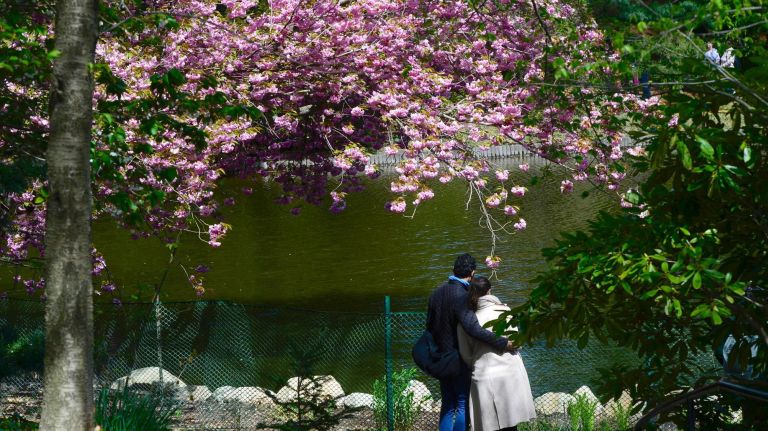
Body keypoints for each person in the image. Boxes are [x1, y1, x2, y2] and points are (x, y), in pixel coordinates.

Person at [427, 253, 517, 431]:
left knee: (447, 405)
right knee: (461, 403)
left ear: (453, 270)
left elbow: (429, 326)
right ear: (473, 273)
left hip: (440, 357)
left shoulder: (436, 293)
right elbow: (473, 328)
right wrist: (502, 342)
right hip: (457, 358)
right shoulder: (462, 295)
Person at [458, 276, 536, 431]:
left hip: (484, 377)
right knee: (512, 425)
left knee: (489, 426)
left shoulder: (466, 321)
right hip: (511, 373)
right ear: (489, 290)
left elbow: (465, 354)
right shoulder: (504, 310)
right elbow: (516, 341)